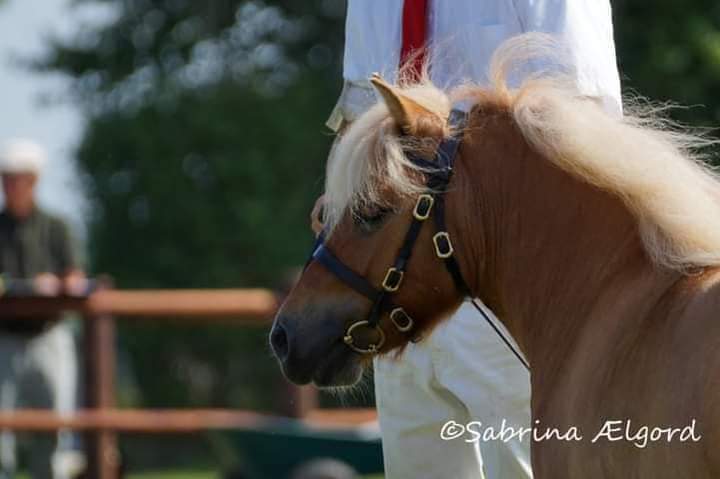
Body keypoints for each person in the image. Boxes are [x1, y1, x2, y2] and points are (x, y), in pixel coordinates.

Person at [313, 2, 622, 478]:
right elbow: (361, 111)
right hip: (401, 276)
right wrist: (342, 198)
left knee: (526, 466)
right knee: (417, 465)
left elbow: (579, 117)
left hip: (508, 271)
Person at [0, 139, 86, 479]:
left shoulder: (56, 226)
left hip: (49, 335)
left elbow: (76, 275)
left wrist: (58, 284)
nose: (9, 185)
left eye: (16, 177)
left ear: (33, 181)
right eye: (6, 178)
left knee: (55, 429)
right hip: (4, 339)